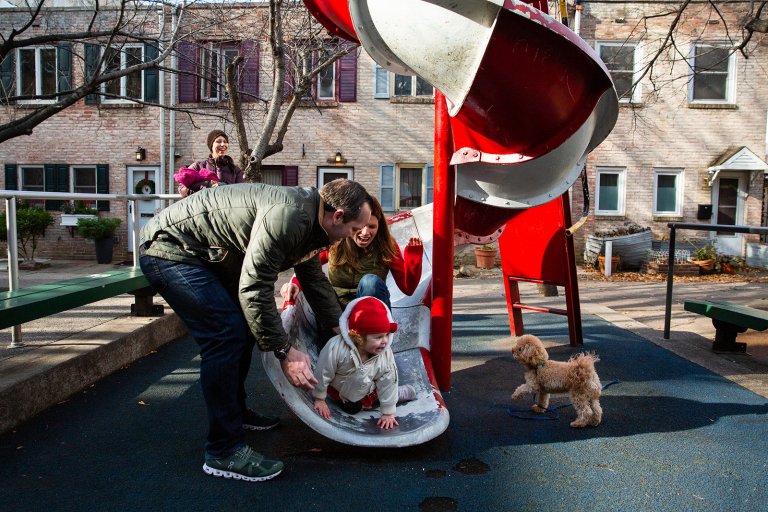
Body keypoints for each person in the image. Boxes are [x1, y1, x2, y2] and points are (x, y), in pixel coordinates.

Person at [139, 179, 371, 482]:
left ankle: (234, 412)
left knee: (245, 330)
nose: (354, 237)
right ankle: (223, 451)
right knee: (225, 335)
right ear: (337, 216)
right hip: (170, 249)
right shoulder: (290, 217)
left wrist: (342, 332)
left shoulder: (311, 220)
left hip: (203, 254)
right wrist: (285, 352)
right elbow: (255, 287)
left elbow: (314, 281)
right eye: (354, 230)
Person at [281, 195, 423, 310]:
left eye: (372, 226)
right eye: (361, 226)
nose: (365, 232)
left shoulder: (386, 244)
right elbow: (309, 263)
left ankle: (371, 336)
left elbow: (408, 289)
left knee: (370, 282)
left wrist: (414, 258)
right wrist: (293, 284)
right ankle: (334, 335)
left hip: (372, 315)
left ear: (379, 226)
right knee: (323, 290)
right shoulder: (335, 240)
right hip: (338, 311)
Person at [312, 297, 417, 429]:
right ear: (359, 337)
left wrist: (388, 413)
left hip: (369, 389)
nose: (384, 341)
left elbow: (388, 380)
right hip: (342, 391)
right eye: (378, 337)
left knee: (385, 389)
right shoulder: (336, 348)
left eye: (386, 335)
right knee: (352, 408)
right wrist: (319, 398)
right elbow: (323, 371)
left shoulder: (384, 354)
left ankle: (393, 396)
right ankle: (377, 399)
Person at [176, 129, 244, 197]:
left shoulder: (236, 170)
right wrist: (207, 185)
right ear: (211, 145)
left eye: (225, 142)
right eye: (218, 141)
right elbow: (182, 189)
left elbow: (241, 192)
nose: (223, 144)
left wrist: (224, 186)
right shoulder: (198, 166)